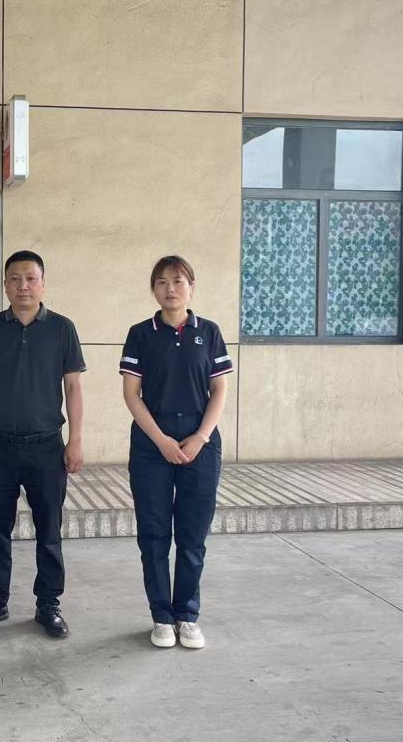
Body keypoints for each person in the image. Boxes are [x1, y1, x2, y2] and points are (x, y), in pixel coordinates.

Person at [0, 250, 86, 639]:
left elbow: (73, 386)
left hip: (47, 447)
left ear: (43, 284)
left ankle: (48, 604)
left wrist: (76, 440)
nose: (23, 286)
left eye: (31, 278)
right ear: (5, 285)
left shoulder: (62, 329)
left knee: (50, 530)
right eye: (15, 278)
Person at [120, 255, 232, 649]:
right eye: (162, 282)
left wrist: (201, 436)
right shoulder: (140, 334)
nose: (170, 288)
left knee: (192, 534)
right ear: (153, 289)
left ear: (191, 287)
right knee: (153, 535)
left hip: (200, 443)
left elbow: (219, 390)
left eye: (178, 281)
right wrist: (161, 440)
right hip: (152, 444)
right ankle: (162, 617)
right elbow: (131, 394)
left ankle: (187, 615)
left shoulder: (209, 332)